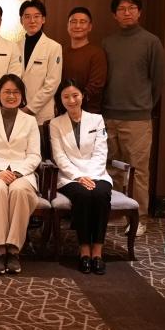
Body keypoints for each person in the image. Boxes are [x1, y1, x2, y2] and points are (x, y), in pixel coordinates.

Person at [102, 0, 164, 236]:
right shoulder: (108, 42)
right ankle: (117, 213)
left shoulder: (151, 42)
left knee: (138, 171)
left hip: (138, 118)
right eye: (121, 9)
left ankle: (140, 218)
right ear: (114, 14)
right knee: (112, 167)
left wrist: (143, 106)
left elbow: (157, 82)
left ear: (139, 12)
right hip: (108, 115)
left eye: (131, 8)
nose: (126, 12)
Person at [0, 74, 41, 275]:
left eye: (16, 92)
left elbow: (34, 155)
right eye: (7, 92)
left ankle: (13, 249)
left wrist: (18, 173)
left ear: (22, 95)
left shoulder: (30, 121)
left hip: (22, 173)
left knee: (19, 191)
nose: (11, 96)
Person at [49, 79, 113, 275]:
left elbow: (101, 151)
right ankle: (84, 250)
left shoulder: (97, 120)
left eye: (75, 95)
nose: (71, 100)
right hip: (69, 176)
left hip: (97, 173)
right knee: (83, 195)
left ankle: (98, 251)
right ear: (61, 99)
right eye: (66, 97)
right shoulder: (55, 123)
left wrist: (91, 176)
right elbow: (59, 156)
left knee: (101, 194)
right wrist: (78, 176)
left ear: (82, 96)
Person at [17, 0, 62, 124]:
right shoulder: (15, 47)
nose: (32, 21)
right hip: (17, 110)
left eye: (36, 16)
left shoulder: (54, 47)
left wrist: (30, 108)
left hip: (42, 113)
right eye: (27, 17)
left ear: (43, 19)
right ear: (21, 20)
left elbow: (52, 83)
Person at [62, 6, 106, 114]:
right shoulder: (61, 52)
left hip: (89, 113)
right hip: (63, 113)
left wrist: (73, 102)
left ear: (90, 27)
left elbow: (96, 86)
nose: (77, 26)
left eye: (82, 22)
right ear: (68, 26)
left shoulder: (97, 53)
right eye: (73, 22)